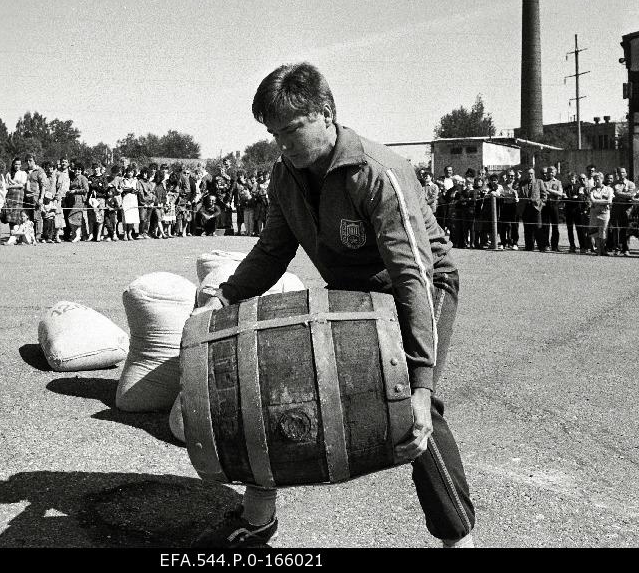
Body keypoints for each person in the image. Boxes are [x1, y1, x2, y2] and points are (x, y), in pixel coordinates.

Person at [193, 63, 474, 548]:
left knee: (411, 405)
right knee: (272, 368)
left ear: (325, 114)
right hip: (357, 291)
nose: (281, 143)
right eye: (272, 132)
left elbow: (412, 274)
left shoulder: (376, 172)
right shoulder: (286, 175)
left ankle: (458, 540)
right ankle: (258, 516)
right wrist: (226, 296)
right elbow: (272, 250)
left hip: (423, 285)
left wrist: (422, 384)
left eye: (291, 129)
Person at [516, 168, 546, 252]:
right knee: (527, 228)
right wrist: (518, 178)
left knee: (538, 227)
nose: (530, 175)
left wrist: (541, 204)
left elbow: (544, 194)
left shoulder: (539, 182)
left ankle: (541, 247)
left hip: (536, 207)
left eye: (531, 173)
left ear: (534, 174)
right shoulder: (522, 183)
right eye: (528, 174)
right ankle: (529, 246)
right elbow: (515, 188)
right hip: (526, 207)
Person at [610, 168, 636, 256]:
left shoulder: (631, 184)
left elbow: (631, 195)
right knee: (616, 228)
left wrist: (618, 193)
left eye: (623, 172)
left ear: (626, 173)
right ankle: (617, 248)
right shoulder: (613, 184)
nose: (621, 174)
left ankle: (626, 249)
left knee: (626, 229)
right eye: (619, 172)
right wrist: (625, 195)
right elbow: (612, 195)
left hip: (627, 209)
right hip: (616, 207)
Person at [587, 171, 614, 256]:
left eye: (598, 179)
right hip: (594, 213)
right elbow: (592, 200)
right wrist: (604, 201)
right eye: (595, 179)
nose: (596, 181)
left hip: (604, 213)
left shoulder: (609, 189)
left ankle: (603, 249)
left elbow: (609, 201)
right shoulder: (592, 189)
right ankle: (599, 250)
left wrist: (597, 201)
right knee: (595, 232)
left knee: (604, 232)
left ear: (602, 179)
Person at [24, 155, 48, 242]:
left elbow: (44, 185)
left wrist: (41, 198)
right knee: (28, 217)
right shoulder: (25, 172)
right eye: (26, 160)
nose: (28, 162)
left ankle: (37, 236)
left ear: (34, 161)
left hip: (36, 196)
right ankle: (29, 235)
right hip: (26, 197)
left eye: (30, 160)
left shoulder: (39, 171)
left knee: (37, 217)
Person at [564, 173, 590, 254]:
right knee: (570, 229)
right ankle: (572, 246)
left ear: (575, 179)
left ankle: (582, 246)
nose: (571, 180)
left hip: (577, 211)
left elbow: (580, 198)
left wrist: (569, 199)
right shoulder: (565, 188)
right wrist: (573, 198)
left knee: (580, 229)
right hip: (568, 211)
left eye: (572, 179)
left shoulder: (580, 187)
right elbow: (564, 198)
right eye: (570, 179)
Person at [540, 166, 563, 252]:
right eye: (549, 172)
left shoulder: (558, 182)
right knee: (545, 226)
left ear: (555, 173)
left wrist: (549, 190)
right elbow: (542, 192)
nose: (550, 173)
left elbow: (560, 193)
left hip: (554, 205)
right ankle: (546, 245)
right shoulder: (543, 182)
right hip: (545, 205)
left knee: (555, 226)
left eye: (552, 172)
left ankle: (555, 245)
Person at [66, 161, 89, 242]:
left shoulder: (83, 178)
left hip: (79, 199)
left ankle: (78, 235)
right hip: (73, 199)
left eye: (79, 169)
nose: (77, 170)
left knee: (76, 217)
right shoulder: (74, 178)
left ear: (82, 170)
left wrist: (75, 191)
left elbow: (86, 189)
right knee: (72, 217)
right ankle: (75, 234)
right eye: (76, 169)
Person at [498, 170, 520, 250]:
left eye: (512, 176)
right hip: (505, 206)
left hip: (514, 206)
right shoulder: (502, 185)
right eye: (509, 175)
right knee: (503, 225)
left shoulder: (516, 184)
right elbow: (499, 193)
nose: (511, 177)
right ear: (506, 176)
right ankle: (503, 243)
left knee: (514, 225)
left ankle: (515, 243)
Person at [121, 166, 140, 240]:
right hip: (126, 199)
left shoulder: (136, 180)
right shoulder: (124, 180)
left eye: (131, 172)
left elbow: (138, 189)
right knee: (125, 217)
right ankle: (125, 234)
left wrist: (135, 191)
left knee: (132, 218)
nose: (130, 173)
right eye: (128, 172)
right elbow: (122, 188)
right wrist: (129, 189)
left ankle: (130, 234)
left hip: (133, 199)